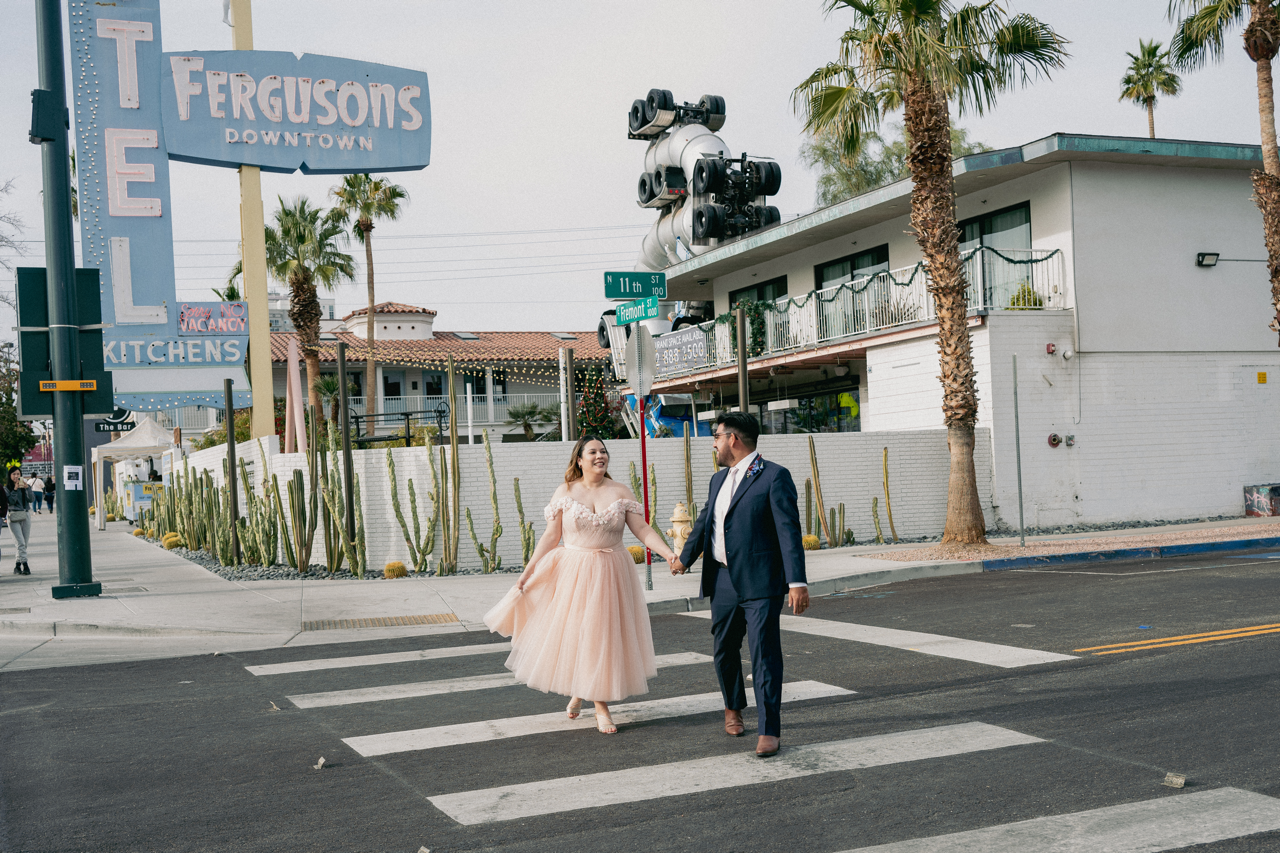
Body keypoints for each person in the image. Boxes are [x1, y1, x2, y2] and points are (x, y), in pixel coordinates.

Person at [484, 435, 679, 734]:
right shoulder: (565, 492)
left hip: (613, 571)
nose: (600, 455)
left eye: (603, 451)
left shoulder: (620, 491)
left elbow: (641, 528)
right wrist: (528, 571)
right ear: (579, 459)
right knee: (584, 634)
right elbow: (551, 537)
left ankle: (583, 692)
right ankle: (600, 706)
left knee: (604, 636)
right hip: (574, 572)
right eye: (593, 452)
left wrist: (668, 553)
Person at [675, 412, 808, 758]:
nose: (714, 443)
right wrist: (684, 558)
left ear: (733, 439)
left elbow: (788, 532)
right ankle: (733, 707)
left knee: (764, 655)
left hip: (762, 581)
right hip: (722, 579)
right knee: (724, 649)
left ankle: (769, 730)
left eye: (717, 436)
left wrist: (797, 582)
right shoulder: (718, 480)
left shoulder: (774, 476)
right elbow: (706, 522)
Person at [5, 468, 34, 575]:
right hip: (13, 516)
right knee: (20, 543)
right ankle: (25, 566)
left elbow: (31, 499)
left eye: (18, 474)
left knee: (24, 543)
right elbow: (11, 501)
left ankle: (17, 566)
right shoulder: (7, 488)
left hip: (25, 514)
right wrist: (15, 489)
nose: (16, 476)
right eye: (14, 474)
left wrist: (27, 489)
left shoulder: (26, 486)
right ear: (10, 476)